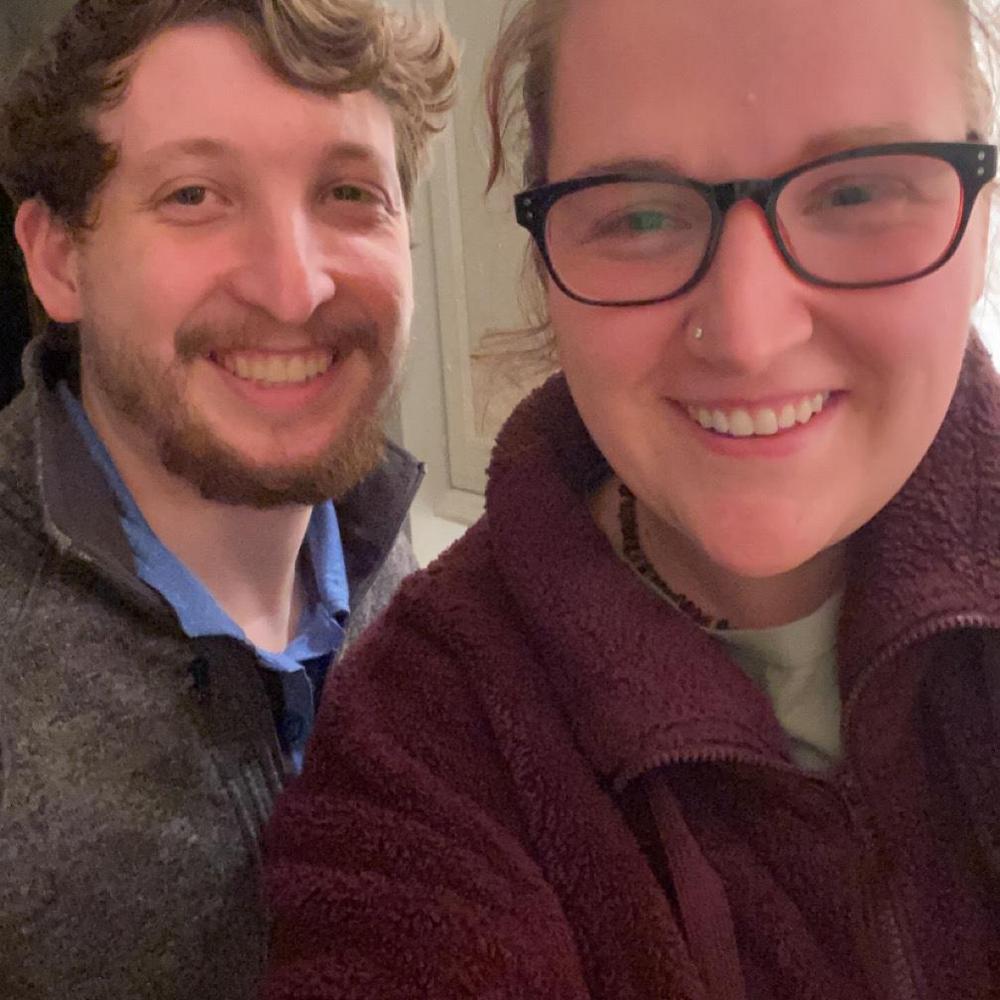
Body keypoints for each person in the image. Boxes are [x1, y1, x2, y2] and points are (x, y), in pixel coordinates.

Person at [263, 0, 1000, 997]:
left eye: (859, 191)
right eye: (642, 215)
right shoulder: (424, 743)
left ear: (980, 219)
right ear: (546, 260)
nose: (748, 336)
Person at [0, 0, 456, 995]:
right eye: (195, 195)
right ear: (59, 260)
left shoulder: (417, 573)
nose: (294, 290)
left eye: (349, 192)